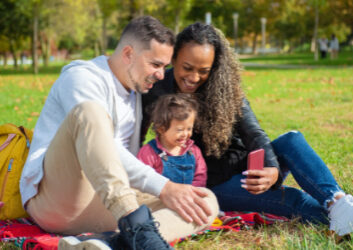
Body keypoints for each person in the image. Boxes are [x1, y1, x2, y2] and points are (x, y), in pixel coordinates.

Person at [20, 17, 218, 250]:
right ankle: (139, 232)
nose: (162, 75)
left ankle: (109, 242)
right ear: (128, 54)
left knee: (203, 200)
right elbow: (105, 147)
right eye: (155, 64)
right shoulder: (82, 77)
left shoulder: (134, 90)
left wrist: (170, 191)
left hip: (104, 203)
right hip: (55, 199)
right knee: (89, 112)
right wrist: (163, 187)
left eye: (164, 67)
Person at [142, 22, 353, 237]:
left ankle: (338, 204)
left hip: (247, 166)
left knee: (292, 140)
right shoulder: (156, 90)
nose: (194, 77)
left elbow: (254, 133)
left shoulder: (223, 86)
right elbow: (135, 138)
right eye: (187, 67)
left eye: (203, 70)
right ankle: (344, 219)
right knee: (292, 199)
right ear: (174, 58)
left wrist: (271, 169)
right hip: (215, 183)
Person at [138, 93, 207, 187]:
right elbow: (142, 179)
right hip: (158, 198)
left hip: (190, 196)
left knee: (209, 198)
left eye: (189, 129)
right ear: (161, 129)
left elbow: (200, 176)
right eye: (180, 130)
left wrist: (193, 193)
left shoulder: (193, 151)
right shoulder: (149, 153)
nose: (185, 134)